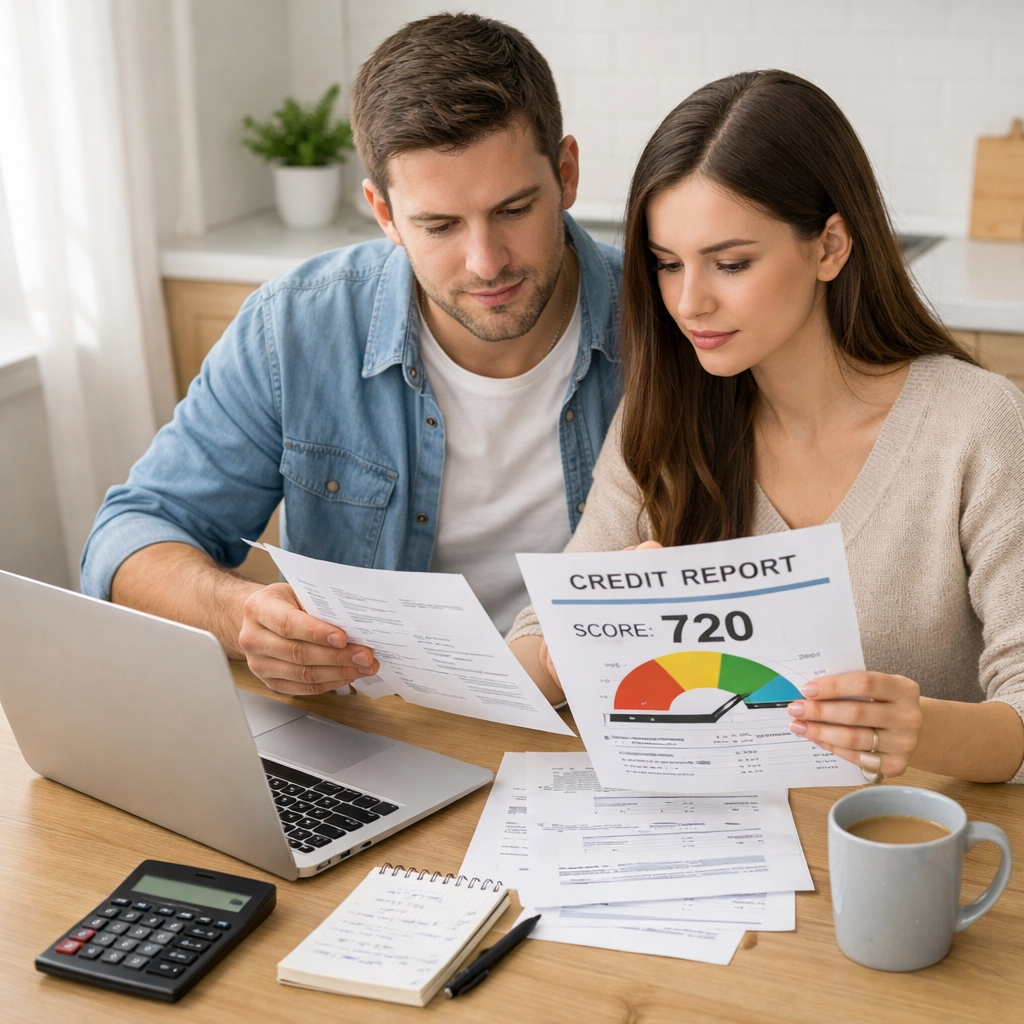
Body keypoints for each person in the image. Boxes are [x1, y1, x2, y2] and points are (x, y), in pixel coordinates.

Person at [81, 14, 621, 701]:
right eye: (439, 225)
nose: (486, 263)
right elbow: (127, 538)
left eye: (513, 209)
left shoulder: (669, 325)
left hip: (593, 721)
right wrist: (242, 614)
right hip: (376, 722)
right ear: (383, 212)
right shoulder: (296, 326)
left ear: (566, 174)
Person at [509, 70, 1024, 785]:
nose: (689, 302)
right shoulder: (664, 417)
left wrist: (919, 730)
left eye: (730, 263)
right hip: (717, 829)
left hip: (902, 838)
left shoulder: (976, 425)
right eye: (667, 265)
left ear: (829, 246)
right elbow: (535, 639)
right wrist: (579, 636)